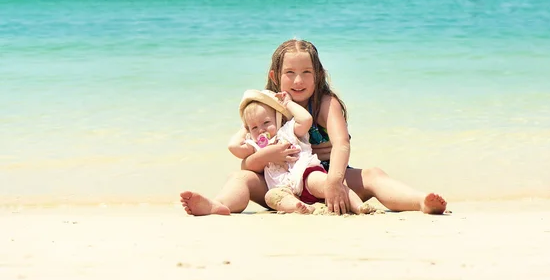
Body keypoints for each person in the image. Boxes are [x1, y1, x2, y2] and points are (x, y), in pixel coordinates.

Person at [180, 39, 447, 216]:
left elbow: (342, 143)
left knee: (374, 175)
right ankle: (218, 206)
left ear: (318, 74)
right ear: (275, 76)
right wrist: (268, 156)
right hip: (278, 185)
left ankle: (420, 201)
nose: (298, 81)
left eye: (307, 72)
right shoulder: (265, 108)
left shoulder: (325, 103)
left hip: (325, 177)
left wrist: (333, 181)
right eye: (289, 73)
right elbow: (247, 163)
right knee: (239, 179)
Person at [236, 89, 375, 215]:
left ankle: (359, 206)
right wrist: (246, 128)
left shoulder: (287, 131)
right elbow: (233, 147)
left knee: (326, 183)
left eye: (266, 123)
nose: (261, 130)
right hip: (284, 187)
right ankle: (299, 207)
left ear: (278, 118)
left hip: (305, 175)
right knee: (271, 197)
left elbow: (306, 119)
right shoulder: (255, 145)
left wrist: (288, 103)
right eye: (254, 127)